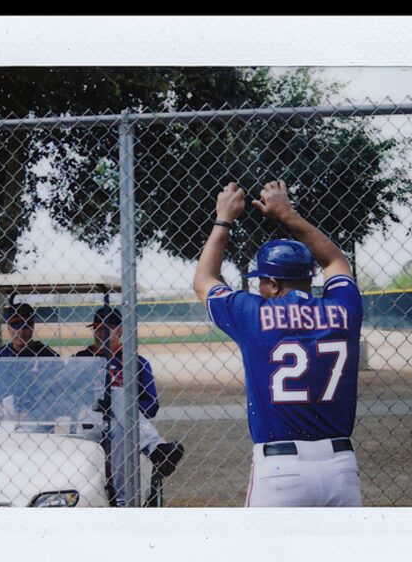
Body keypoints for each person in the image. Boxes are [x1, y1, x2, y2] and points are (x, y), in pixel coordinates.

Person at [193, 180, 363, 507]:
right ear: (309, 276)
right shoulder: (343, 309)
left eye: (261, 282)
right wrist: (288, 215)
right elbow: (336, 262)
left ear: (272, 283)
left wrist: (223, 219)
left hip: (281, 471)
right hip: (341, 467)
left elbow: (204, 280)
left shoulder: (254, 316)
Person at [74, 306, 184, 505]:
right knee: (113, 392)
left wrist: (125, 412)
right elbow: (69, 396)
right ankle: (156, 448)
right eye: (96, 329)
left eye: (105, 329)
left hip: (124, 426)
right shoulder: (81, 359)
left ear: (120, 330)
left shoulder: (136, 362)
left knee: (119, 418)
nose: (99, 334)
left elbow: (151, 405)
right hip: (90, 419)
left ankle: (123, 502)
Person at [0, 303, 60, 420]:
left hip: (37, 421)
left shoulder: (49, 357)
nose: (21, 331)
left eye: (26, 325)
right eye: (15, 325)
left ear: (32, 327)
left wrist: (36, 414)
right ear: (8, 328)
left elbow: (57, 397)